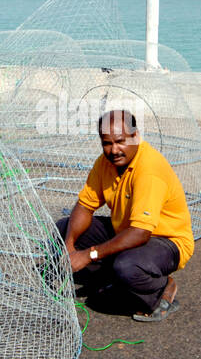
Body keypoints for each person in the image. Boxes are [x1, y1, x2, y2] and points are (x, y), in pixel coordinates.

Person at [55, 109, 193, 322]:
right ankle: (114, 276)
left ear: (135, 136)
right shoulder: (105, 162)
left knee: (127, 267)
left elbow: (140, 233)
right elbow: (85, 205)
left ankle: (161, 289)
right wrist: (70, 246)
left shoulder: (149, 170)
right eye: (107, 143)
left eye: (120, 141)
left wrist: (88, 255)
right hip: (125, 230)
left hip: (164, 241)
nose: (114, 150)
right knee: (63, 229)